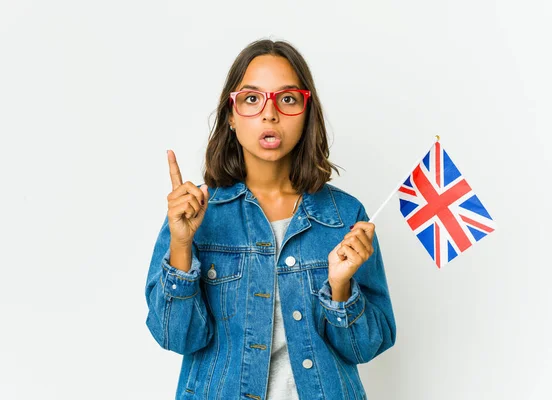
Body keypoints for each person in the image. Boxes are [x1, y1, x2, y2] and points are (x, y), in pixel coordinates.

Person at [145, 38, 396, 400]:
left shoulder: (344, 217)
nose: (270, 113)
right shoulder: (196, 211)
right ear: (230, 116)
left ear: (307, 113)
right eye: (251, 98)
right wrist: (182, 244)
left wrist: (340, 290)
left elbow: (367, 346)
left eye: (288, 98)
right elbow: (175, 336)